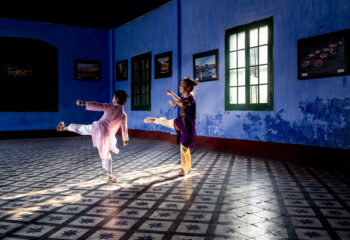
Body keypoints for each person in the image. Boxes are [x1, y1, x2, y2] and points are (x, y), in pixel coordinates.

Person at [56, 90, 129, 183]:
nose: (112, 99)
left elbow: (97, 105)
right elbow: (124, 128)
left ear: (117, 99)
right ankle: (110, 175)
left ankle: (63, 128)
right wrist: (125, 140)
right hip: (107, 136)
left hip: (98, 129)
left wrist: (83, 103)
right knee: (106, 154)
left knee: (82, 128)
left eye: (113, 97)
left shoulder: (110, 107)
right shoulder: (123, 115)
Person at [144, 77, 198, 176]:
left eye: (182, 85)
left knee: (184, 148)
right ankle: (154, 120)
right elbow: (180, 100)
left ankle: (186, 168)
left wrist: (175, 103)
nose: (180, 86)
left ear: (188, 87)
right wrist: (172, 94)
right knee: (167, 123)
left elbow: (183, 103)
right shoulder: (185, 97)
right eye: (180, 84)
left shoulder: (191, 98)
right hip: (180, 123)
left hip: (188, 127)